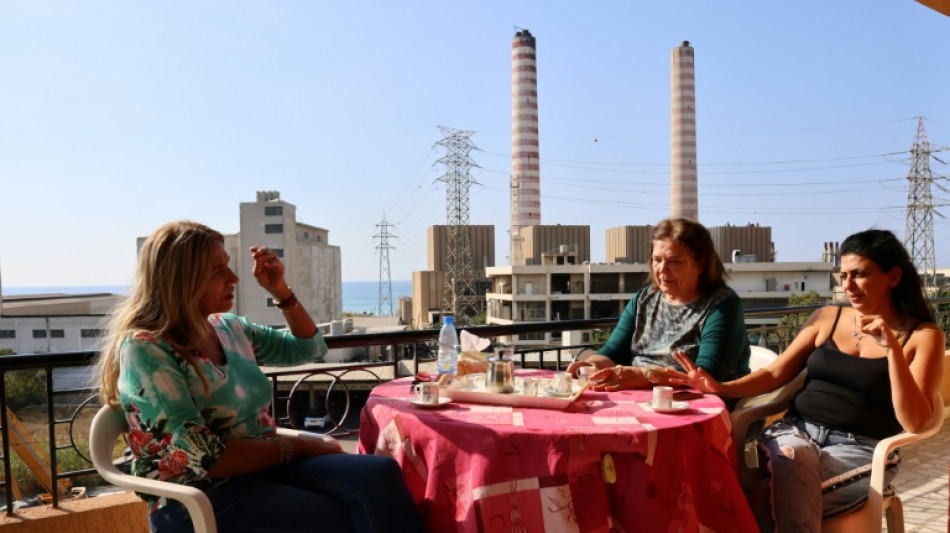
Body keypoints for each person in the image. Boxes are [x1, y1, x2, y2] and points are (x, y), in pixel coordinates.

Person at [96, 221, 426, 533]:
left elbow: (306, 348)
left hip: (265, 468)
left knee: (380, 474)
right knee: (339, 516)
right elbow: (203, 456)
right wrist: (298, 447)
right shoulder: (147, 349)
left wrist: (281, 292)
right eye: (217, 270)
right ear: (182, 281)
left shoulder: (226, 327)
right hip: (198, 497)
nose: (234, 277)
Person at [672, 229, 946, 532]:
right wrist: (719, 387)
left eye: (860, 274)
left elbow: (916, 422)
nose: (848, 285)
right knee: (790, 463)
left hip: (861, 451)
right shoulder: (826, 318)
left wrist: (892, 351)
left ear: (893, 277)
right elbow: (775, 374)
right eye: (842, 275)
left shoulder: (922, 337)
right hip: (794, 434)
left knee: (763, 494)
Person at [566, 218, 751, 391]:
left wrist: (646, 375)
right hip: (640, 396)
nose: (662, 269)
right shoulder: (644, 299)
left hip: (701, 404)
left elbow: (706, 374)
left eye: (674, 262)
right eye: (657, 260)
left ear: (701, 263)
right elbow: (613, 352)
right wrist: (592, 365)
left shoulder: (722, 305)